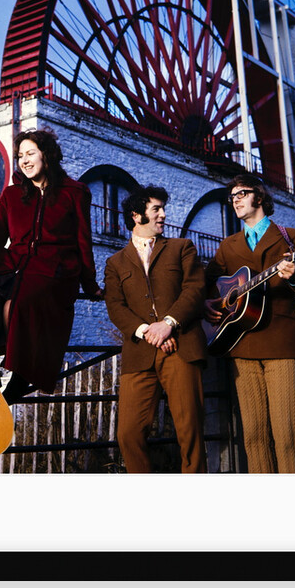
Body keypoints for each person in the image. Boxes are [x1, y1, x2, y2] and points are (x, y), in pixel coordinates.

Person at [0, 128, 102, 403]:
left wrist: (90, 284)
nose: (25, 161)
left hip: (56, 266)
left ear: (47, 155)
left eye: (31, 154)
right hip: (15, 261)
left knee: (16, 303)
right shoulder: (12, 194)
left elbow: (83, 241)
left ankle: (19, 375)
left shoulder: (75, 192)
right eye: (20, 156)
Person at [205, 173, 295, 474]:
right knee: (252, 437)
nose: (235, 200)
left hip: (281, 342)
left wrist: (294, 277)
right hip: (241, 344)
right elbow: (209, 285)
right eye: (232, 197)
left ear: (260, 197)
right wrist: (210, 306)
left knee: (288, 436)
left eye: (241, 193)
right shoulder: (228, 246)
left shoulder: (291, 236)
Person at [104, 185, 208, 473]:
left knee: (190, 431)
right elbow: (115, 306)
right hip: (140, 353)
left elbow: (195, 289)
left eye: (163, 208)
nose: (163, 214)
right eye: (156, 209)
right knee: (128, 433)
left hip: (181, 348)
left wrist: (168, 324)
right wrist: (149, 331)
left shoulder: (181, 248)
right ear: (136, 215)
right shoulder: (114, 263)